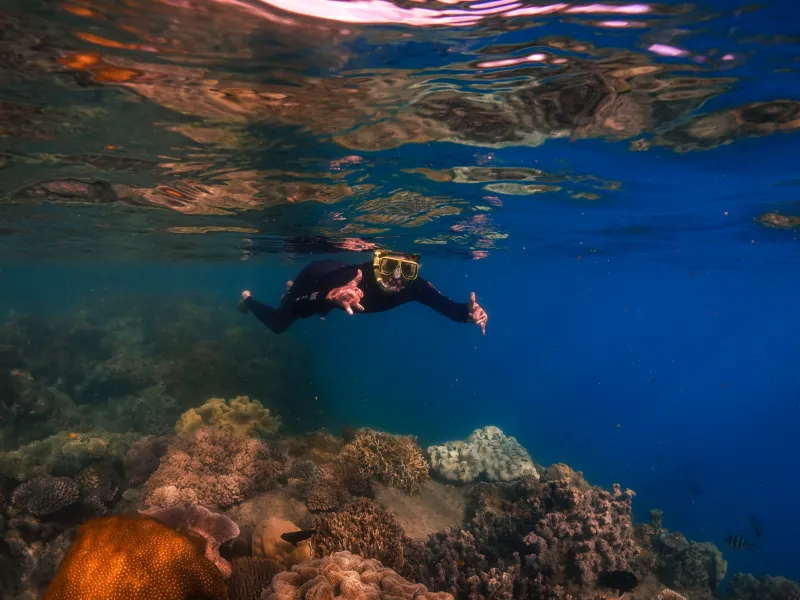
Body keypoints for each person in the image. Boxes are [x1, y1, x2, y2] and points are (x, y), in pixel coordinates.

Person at [237, 249, 488, 335]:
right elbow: (305, 307)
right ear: (377, 263)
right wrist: (330, 296)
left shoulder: (413, 286)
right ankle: (247, 300)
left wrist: (468, 313)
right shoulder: (353, 279)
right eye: (390, 266)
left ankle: (289, 291)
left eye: (407, 270)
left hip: (328, 286)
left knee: (315, 310)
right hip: (316, 278)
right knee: (281, 322)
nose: (398, 278)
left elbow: (445, 305)